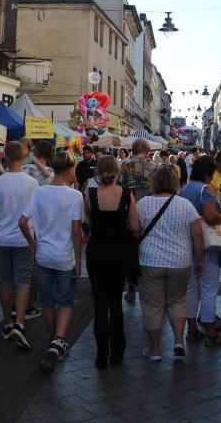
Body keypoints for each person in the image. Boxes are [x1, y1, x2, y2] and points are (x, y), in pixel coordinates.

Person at [19, 151, 84, 374]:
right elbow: (76, 231)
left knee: (47, 303)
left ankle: (52, 341)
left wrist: (32, 242)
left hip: (44, 255)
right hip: (65, 256)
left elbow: (22, 221)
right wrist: (78, 259)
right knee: (65, 301)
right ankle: (59, 341)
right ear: (69, 170)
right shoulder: (75, 196)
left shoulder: (39, 192)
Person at [136, 164, 204, 360]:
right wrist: (199, 260)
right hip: (180, 260)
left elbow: (134, 230)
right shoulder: (185, 205)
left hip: (150, 260)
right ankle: (178, 341)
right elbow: (198, 235)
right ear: (176, 182)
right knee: (177, 300)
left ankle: (155, 348)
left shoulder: (143, 203)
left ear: (155, 181)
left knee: (152, 304)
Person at [84, 155, 139, 369]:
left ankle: (101, 355)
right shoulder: (126, 195)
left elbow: (87, 222)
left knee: (99, 304)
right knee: (115, 303)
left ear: (98, 171)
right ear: (117, 171)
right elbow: (134, 228)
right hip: (119, 253)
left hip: (97, 252)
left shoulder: (89, 195)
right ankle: (117, 352)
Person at [0, 141, 39, 350]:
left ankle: (7, 324)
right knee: (23, 281)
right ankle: (19, 322)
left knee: (5, 282)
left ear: (6, 158)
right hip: (23, 238)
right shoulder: (32, 183)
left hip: (2, 238)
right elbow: (35, 212)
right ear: (24, 157)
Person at [180, 155, 221, 346]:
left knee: (191, 289)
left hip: (188, 244)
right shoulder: (206, 189)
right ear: (208, 173)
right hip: (207, 246)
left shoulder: (185, 188)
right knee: (209, 289)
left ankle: (192, 330)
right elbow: (210, 217)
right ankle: (210, 331)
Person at [118, 138, 158, 303]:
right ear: (148, 151)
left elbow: (119, 187)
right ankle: (150, 289)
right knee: (150, 253)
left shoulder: (124, 166)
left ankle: (132, 289)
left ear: (132, 150)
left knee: (132, 252)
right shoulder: (156, 167)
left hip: (130, 215)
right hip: (152, 215)